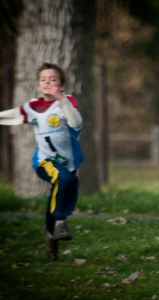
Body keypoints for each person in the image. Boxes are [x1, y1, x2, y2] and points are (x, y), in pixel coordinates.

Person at [0, 63, 83, 261]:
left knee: (61, 189)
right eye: (43, 80)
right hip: (44, 161)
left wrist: (62, 100)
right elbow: (12, 115)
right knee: (65, 181)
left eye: (53, 80)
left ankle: (50, 231)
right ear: (38, 86)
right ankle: (60, 222)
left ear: (62, 86)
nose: (48, 83)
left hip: (68, 162)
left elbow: (76, 122)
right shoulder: (32, 107)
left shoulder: (67, 102)